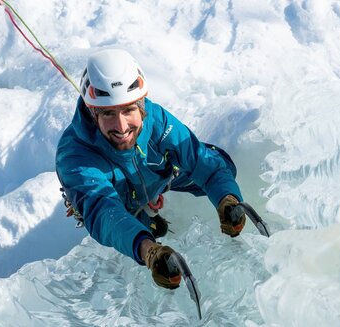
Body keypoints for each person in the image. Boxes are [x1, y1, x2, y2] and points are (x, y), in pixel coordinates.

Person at [55, 48, 246, 289]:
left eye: (128, 110)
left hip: (157, 176)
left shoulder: (155, 120)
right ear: (93, 114)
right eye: (108, 114)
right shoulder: (74, 155)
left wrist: (227, 198)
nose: (122, 126)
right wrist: (148, 251)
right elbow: (104, 211)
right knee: (138, 233)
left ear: (141, 104)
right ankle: (146, 222)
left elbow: (202, 161)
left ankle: (150, 210)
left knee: (221, 163)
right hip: (121, 202)